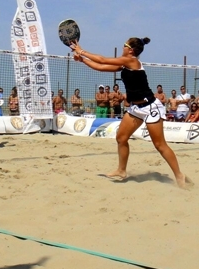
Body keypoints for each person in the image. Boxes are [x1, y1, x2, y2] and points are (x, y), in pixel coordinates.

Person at [71, 37, 189, 188]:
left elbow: (101, 59)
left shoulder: (132, 61)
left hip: (150, 107)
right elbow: (100, 67)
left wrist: (81, 51)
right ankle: (121, 170)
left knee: (160, 145)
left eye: (125, 45)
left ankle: (180, 175)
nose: (123, 47)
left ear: (131, 50)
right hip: (136, 108)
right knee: (121, 138)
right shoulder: (125, 65)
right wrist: (81, 59)